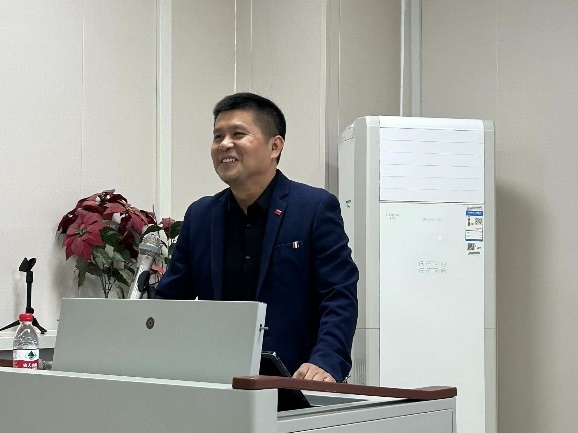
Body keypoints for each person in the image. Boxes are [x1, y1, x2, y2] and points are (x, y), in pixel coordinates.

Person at [156, 92, 358, 382]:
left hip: (295, 381)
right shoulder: (201, 216)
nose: (224, 144)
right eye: (217, 136)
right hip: (218, 381)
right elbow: (170, 303)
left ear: (275, 146)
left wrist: (326, 361)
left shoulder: (313, 208)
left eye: (238, 134)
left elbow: (338, 295)